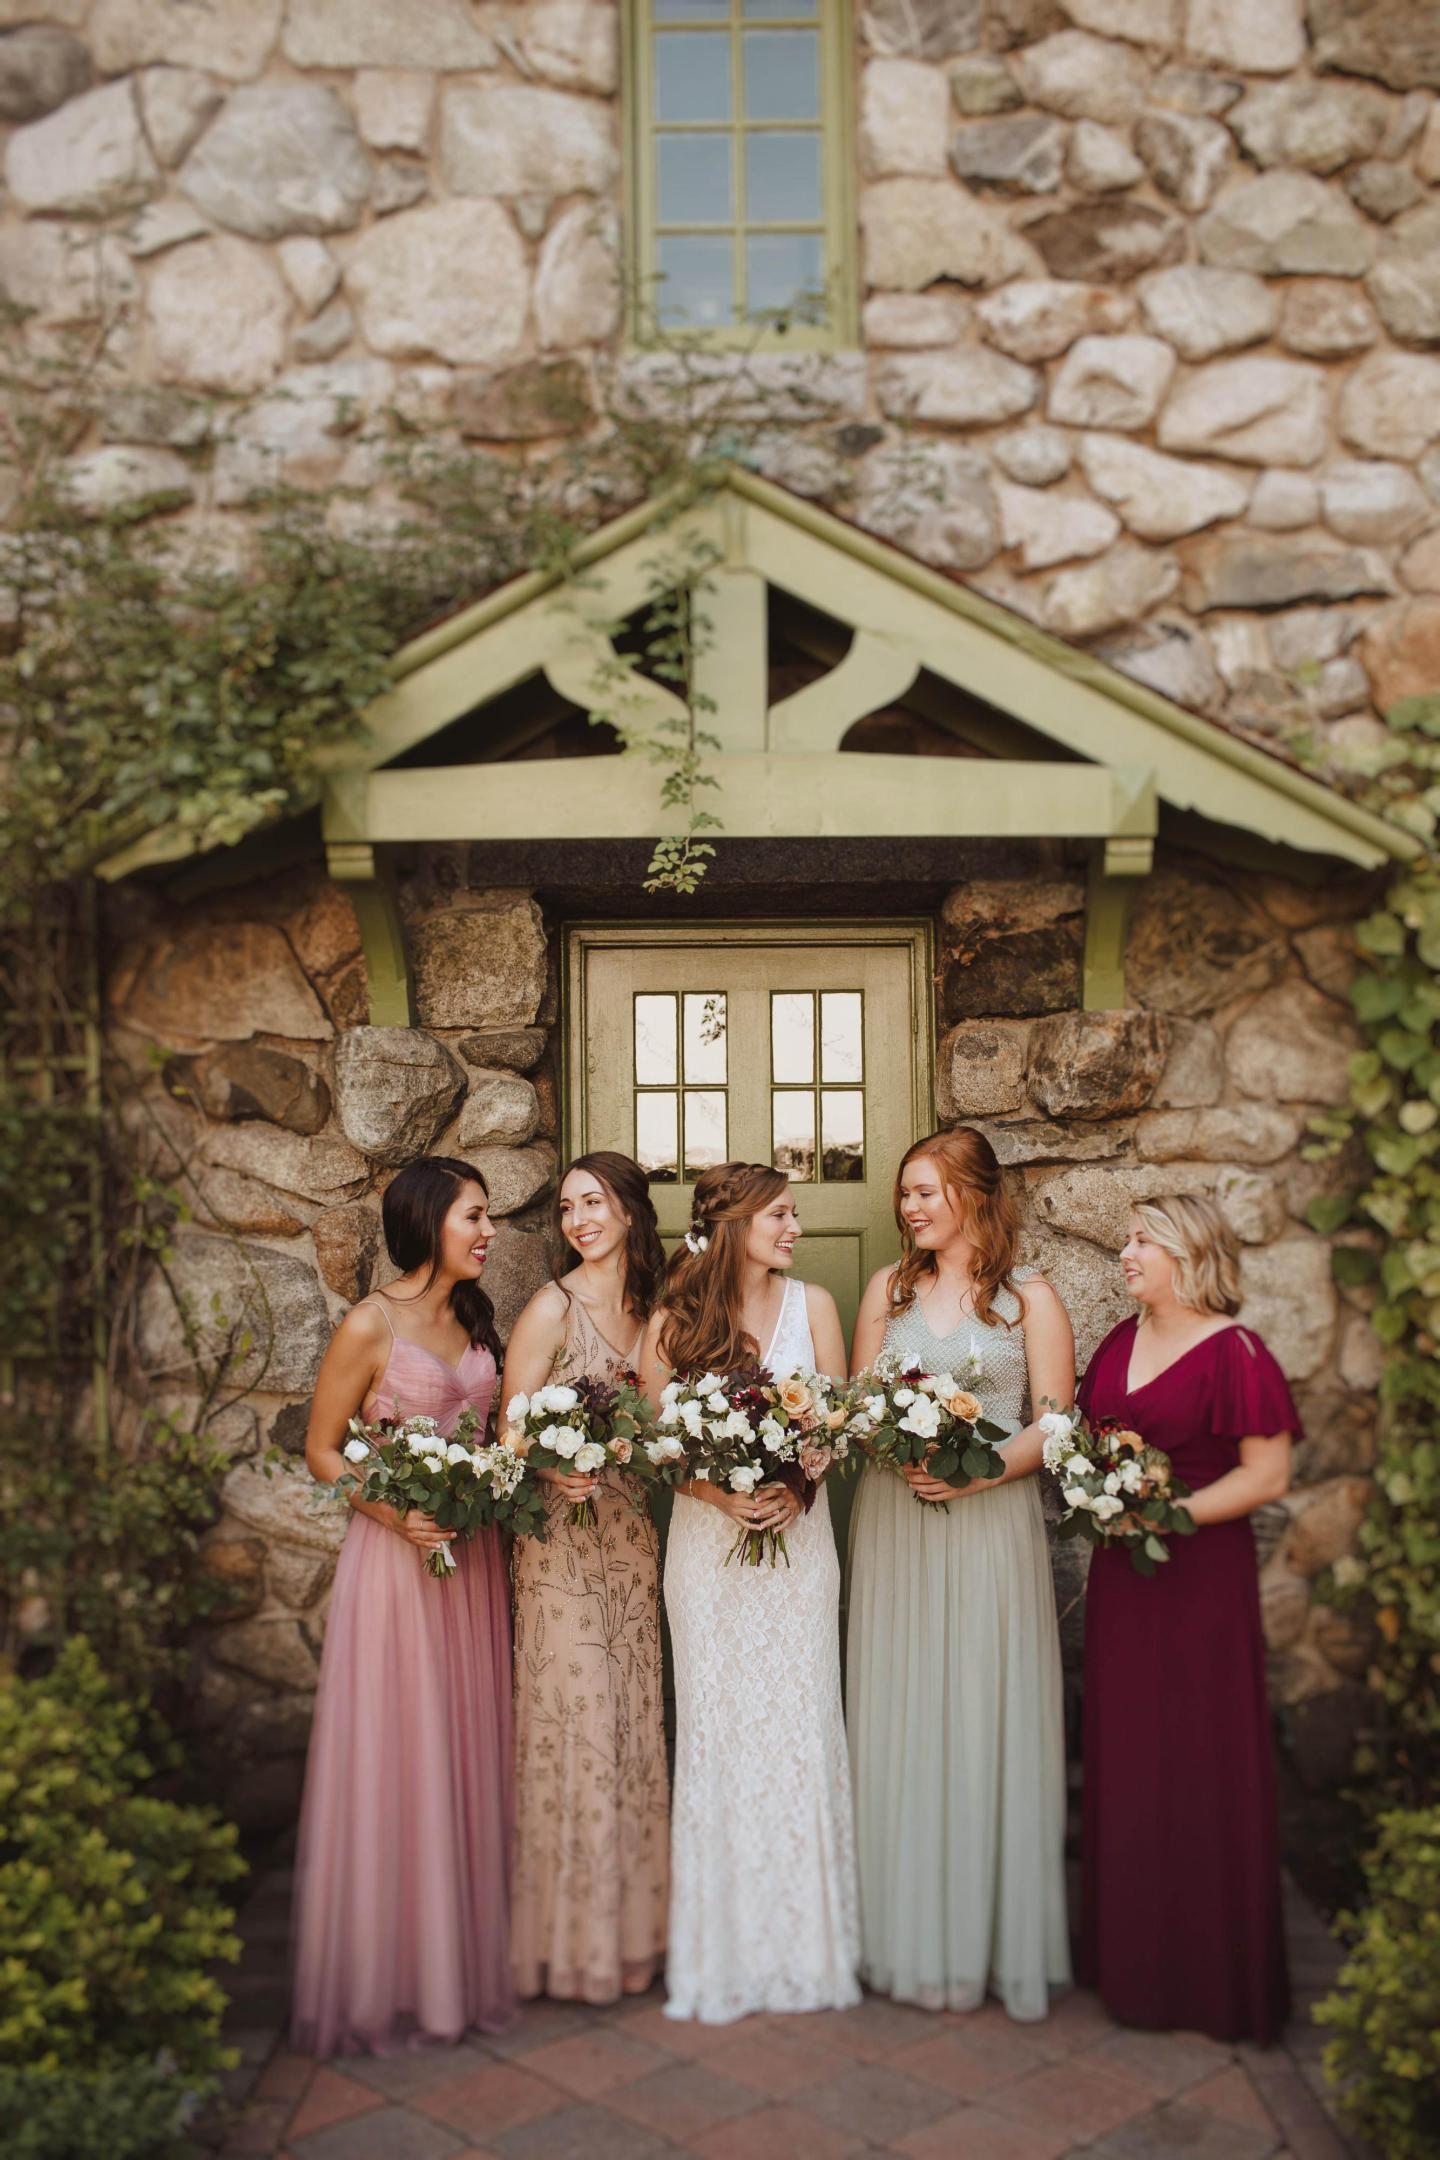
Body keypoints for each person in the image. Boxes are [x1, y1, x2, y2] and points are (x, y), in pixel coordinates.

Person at [846, 1127, 1074, 2022]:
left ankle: (985, 1941)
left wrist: (977, 1469)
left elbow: (1054, 1424)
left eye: (926, 1192)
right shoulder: (886, 1291)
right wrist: (890, 1434)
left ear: (976, 1197)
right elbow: (859, 1405)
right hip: (899, 1523)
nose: (909, 1208)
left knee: (983, 1709)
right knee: (904, 1709)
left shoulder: (1030, 1301)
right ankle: (902, 1940)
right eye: (904, 1193)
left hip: (989, 1528)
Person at [291, 1157, 514, 2055]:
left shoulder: (472, 1318)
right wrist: (397, 1512)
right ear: (429, 1223)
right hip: (397, 1565)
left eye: (489, 1215)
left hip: (475, 1561)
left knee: (462, 1748)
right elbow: (321, 1451)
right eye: (474, 1215)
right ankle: (395, 1974)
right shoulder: (369, 1324)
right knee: (401, 1753)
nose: (489, 1230)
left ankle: (459, 1960)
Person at [639, 1161, 860, 2023]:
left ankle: (808, 1949)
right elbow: (655, 1443)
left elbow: (835, 1426)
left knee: (802, 1728)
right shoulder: (674, 1319)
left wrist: (797, 1485)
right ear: (734, 1226)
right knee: (721, 1735)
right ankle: (720, 1951)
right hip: (706, 1550)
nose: (795, 1227)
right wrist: (718, 1493)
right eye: (780, 1215)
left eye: (797, 1214)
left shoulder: (818, 1309)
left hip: (800, 1549)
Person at [1077, 1193, 1295, 2045]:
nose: (1125, 1254)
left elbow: (1266, 1475)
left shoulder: (1236, 1353)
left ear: (1190, 1253)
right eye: (1127, 1239)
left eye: (1142, 1241)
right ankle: (1134, 1966)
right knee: (1130, 1757)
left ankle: (1212, 1978)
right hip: (1125, 1585)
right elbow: (1087, 1442)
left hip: (1201, 1583)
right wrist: (1102, 1497)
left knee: (1204, 1761)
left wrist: (1169, 1515)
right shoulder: (1118, 1343)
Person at [500, 1152, 670, 2005]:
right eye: (567, 1208)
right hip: (561, 1548)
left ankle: (635, 1941)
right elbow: (510, 1435)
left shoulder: (656, 1311)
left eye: (593, 1203)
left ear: (630, 1211)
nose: (578, 1220)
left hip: (632, 1538)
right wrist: (549, 1469)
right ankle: (570, 1948)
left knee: (634, 1718)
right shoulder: (549, 1307)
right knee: (578, 1725)